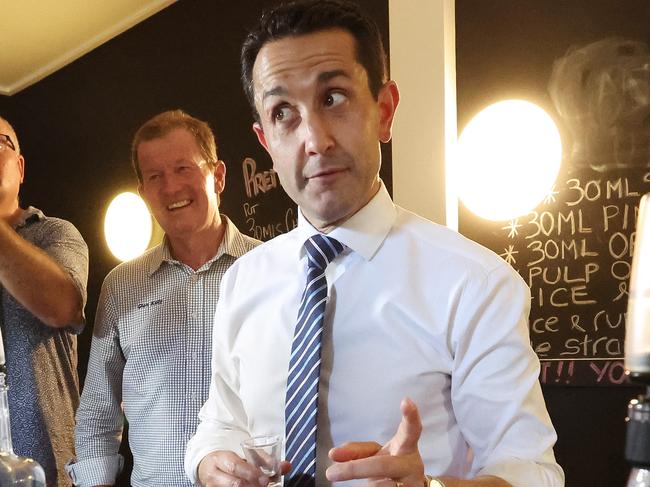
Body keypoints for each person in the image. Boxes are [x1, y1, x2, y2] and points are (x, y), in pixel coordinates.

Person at [185, 1, 564, 486]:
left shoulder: (474, 283)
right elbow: (220, 421)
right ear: (265, 142)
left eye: (334, 98)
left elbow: (533, 472)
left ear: (384, 111)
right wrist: (210, 462)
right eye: (284, 113)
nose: (315, 140)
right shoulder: (243, 279)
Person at [68, 110, 260, 487]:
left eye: (183, 169)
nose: (170, 188)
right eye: (155, 176)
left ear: (218, 176)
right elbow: (96, 414)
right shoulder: (121, 286)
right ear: (143, 192)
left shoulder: (269, 270)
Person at [0, 116, 89, 487]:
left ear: (20, 167)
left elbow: (62, 305)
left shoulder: (54, 234)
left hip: (47, 471)